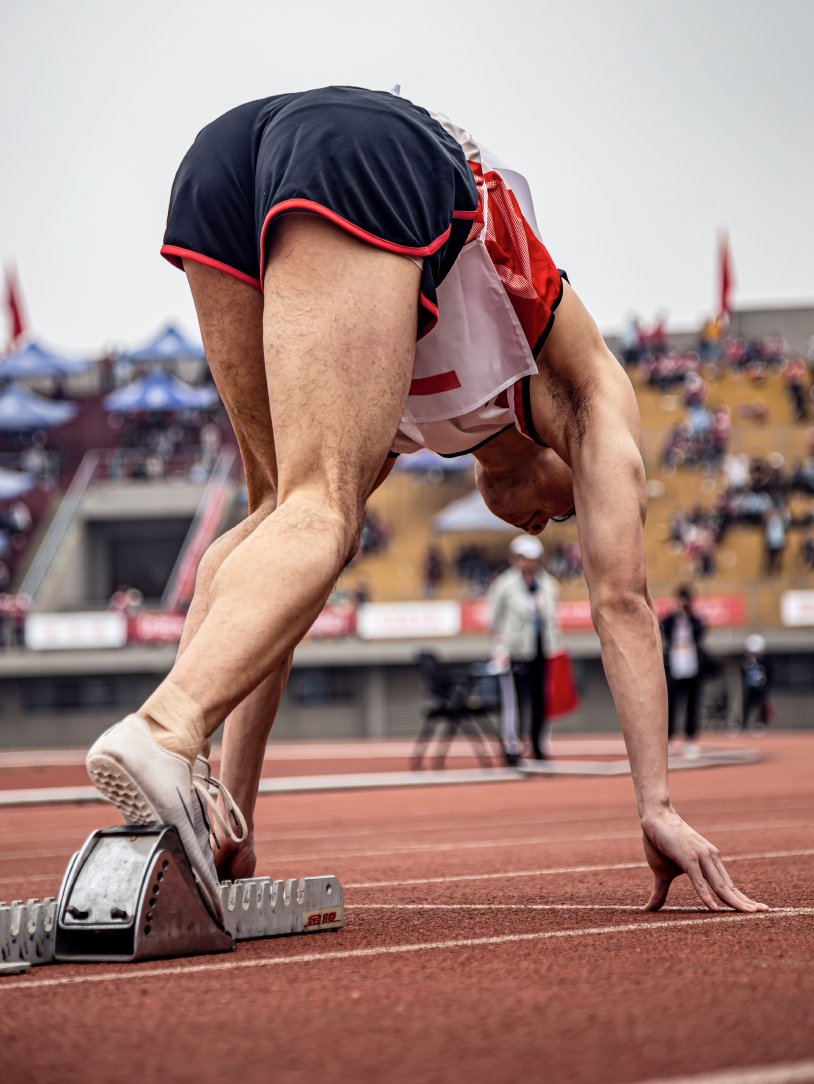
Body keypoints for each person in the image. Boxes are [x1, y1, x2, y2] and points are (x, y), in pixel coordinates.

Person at [87, 85, 764, 921]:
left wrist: (237, 810)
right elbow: (622, 599)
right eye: (564, 514)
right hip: (374, 151)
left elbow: (280, 597)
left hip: (227, 161)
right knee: (320, 516)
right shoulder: (585, 395)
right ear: (569, 462)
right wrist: (656, 805)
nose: (549, 524)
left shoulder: (386, 417)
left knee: (279, 518)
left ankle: (185, 778)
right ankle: (160, 734)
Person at [488, 534, 561, 763]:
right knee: (515, 702)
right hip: (515, 652)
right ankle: (512, 747)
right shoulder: (504, 584)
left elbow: (551, 618)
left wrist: (555, 645)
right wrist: (500, 648)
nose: (525, 562)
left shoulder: (549, 585)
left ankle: (538, 744)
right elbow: (494, 619)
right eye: (520, 557)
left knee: (541, 700)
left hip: (541, 650)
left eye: (529, 558)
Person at [659, 587, 707, 757]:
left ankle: (690, 739)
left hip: (692, 667)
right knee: (671, 704)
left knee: (693, 704)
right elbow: (661, 628)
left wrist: (688, 615)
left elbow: (701, 633)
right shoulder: (671, 620)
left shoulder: (694, 620)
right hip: (674, 667)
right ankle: (669, 739)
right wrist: (677, 615)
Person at [740, 634, 772, 732]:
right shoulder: (746, 661)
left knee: (762, 704)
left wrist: (766, 685)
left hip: (762, 687)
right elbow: (743, 673)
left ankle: (761, 723)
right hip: (750, 687)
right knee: (746, 704)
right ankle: (743, 724)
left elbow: (770, 674)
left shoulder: (765, 661)